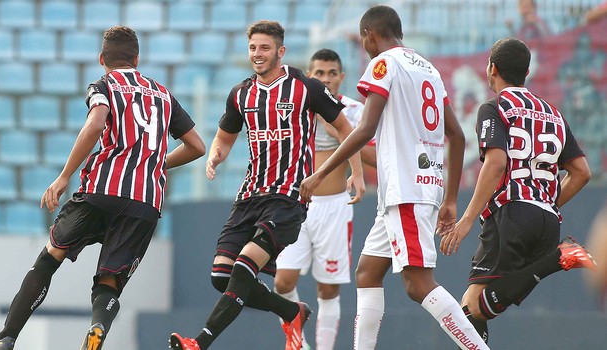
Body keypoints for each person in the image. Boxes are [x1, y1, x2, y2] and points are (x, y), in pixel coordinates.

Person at [0, 25, 206, 350]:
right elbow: (197, 146)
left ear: (102, 59)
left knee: (50, 257)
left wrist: (63, 176)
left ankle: (6, 338)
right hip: (145, 201)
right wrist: (154, 162)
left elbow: (96, 123)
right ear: (137, 59)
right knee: (110, 281)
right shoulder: (163, 94)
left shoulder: (103, 85)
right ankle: (97, 329)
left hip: (102, 190)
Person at [300, 5, 490, 350]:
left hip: (406, 190)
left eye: (364, 42)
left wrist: (321, 173)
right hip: (413, 189)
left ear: (369, 36)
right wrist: (449, 198)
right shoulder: (428, 68)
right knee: (368, 273)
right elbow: (458, 136)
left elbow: (364, 129)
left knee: (418, 285)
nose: (366, 48)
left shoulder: (384, 63)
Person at [169, 20, 365, 350]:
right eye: (253, 48)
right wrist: (215, 155)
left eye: (264, 48)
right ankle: (292, 311)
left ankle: (199, 342)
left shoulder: (306, 86)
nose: (257, 54)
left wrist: (356, 173)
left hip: (288, 197)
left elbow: (347, 128)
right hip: (248, 196)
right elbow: (225, 137)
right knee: (221, 277)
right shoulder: (240, 93)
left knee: (245, 268)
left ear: (280, 51)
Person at [439, 37, 596, 344]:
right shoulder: (554, 114)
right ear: (526, 73)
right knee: (471, 310)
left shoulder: (494, 108)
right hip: (548, 219)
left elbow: (496, 162)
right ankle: (556, 257)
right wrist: (547, 203)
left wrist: (468, 219)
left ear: (492, 69)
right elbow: (581, 173)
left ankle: (558, 258)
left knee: (469, 312)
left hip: (510, 213)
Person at [273, 48, 374, 350]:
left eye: (332, 73)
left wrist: (341, 131)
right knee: (282, 283)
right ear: (309, 75)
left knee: (328, 288)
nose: (326, 79)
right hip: (295, 205)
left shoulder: (353, 111)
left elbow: (373, 155)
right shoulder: (295, 108)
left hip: (334, 207)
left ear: (342, 77)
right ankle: (299, 344)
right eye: (319, 73)